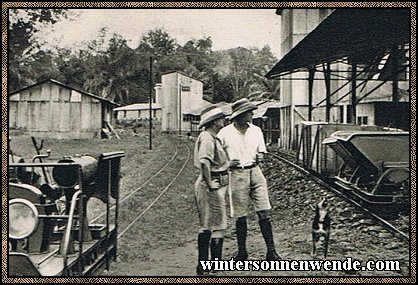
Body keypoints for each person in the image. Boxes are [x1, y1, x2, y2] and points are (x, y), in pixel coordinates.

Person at [217, 98, 281, 261]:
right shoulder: (224, 134)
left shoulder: (256, 131)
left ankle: (271, 252)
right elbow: (215, 157)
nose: (252, 114)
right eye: (249, 112)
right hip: (237, 174)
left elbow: (262, 151)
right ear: (240, 115)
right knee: (240, 215)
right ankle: (242, 252)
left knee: (263, 210)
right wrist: (227, 163)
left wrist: (260, 156)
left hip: (255, 172)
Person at [194, 105, 230, 275]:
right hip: (211, 185)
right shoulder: (207, 138)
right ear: (214, 121)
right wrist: (210, 184)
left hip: (215, 183)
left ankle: (205, 266)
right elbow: (204, 162)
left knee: (210, 224)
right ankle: (212, 267)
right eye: (221, 118)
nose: (223, 120)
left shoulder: (212, 137)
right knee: (217, 226)